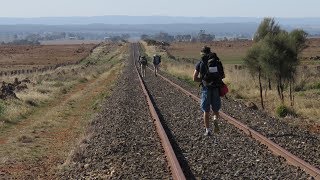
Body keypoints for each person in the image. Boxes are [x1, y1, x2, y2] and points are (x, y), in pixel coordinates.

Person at [193, 46, 225, 136]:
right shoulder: (216, 62)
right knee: (215, 109)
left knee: (206, 111)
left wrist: (203, 80)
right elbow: (223, 76)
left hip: (206, 89)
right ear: (210, 52)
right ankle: (215, 120)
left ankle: (207, 130)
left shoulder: (200, 63)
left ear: (202, 53)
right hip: (215, 88)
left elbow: (194, 78)